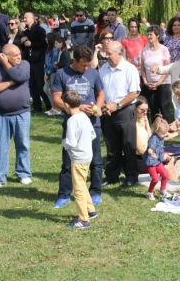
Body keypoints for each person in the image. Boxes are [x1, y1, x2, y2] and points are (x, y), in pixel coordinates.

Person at [51, 45, 105, 208]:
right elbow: (56, 100)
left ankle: (95, 191)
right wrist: (79, 108)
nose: (86, 68)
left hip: (92, 124)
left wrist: (98, 108)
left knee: (95, 159)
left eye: (88, 65)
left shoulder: (93, 73)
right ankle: (64, 195)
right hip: (72, 125)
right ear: (74, 61)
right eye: (83, 65)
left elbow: (100, 94)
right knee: (68, 161)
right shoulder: (62, 74)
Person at [100, 41, 140, 187]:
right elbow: (101, 89)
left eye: (109, 54)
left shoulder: (130, 69)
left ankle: (131, 176)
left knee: (128, 145)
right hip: (108, 111)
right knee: (112, 146)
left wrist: (117, 105)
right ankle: (112, 176)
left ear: (119, 54)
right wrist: (105, 105)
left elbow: (134, 92)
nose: (107, 56)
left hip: (125, 111)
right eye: (106, 53)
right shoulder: (104, 68)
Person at [0, 45, 32, 188]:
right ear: (4, 56)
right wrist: (10, 83)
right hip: (0, 114)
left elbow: (20, 77)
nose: (19, 56)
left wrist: (6, 65)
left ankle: (23, 173)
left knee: (23, 144)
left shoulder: (24, 65)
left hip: (21, 112)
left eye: (19, 53)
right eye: (15, 55)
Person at [61, 90, 98, 229]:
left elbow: (70, 142)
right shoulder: (84, 116)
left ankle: (83, 220)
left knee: (78, 189)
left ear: (66, 105)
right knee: (82, 183)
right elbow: (93, 134)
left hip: (78, 158)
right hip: (87, 155)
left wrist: (63, 142)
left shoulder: (72, 120)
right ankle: (91, 210)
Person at [21, 12, 51, 113]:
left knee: (40, 85)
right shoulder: (25, 32)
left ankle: (49, 105)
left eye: (26, 18)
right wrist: (22, 41)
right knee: (32, 84)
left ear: (32, 18)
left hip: (38, 61)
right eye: (24, 18)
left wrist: (31, 44)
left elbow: (44, 45)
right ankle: (36, 106)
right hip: (28, 60)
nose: (24, 19)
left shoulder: (39, 30)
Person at [140, 25, 172, 122]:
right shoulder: (144, 50)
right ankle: (155, 129)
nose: (149, 37)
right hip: (149, 83)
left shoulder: (164, 49)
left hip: (163, 83)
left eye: (151, 34)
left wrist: (158, 83)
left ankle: (167, 128)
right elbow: (143, 68)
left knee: (163, 105)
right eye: (148, 34)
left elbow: (167, 68)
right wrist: (145, 82)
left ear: (157, 35)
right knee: (153, 107)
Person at [143, 115, 173, 200]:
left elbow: (160, 149)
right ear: (156, 130)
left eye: (165, 133)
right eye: (163, 133)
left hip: (157, 161)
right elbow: (149, 150)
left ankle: (162, 191)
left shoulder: (161, 137)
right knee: (155, 179)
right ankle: (149, 192)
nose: (164, 135)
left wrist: (164, 157)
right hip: (151, 163)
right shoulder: (153, 139)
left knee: (165, 174)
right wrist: (152, 154)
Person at [43, 33, 59, 115]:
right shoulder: (48, 49)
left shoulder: (54, 50)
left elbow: (53, 63)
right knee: (46, 89)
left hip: (53, 72)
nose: (45, 39)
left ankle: (56, 108)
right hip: (48, 71)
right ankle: (53, 107)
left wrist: (48, 73)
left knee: (53, 90)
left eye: (46, 38)